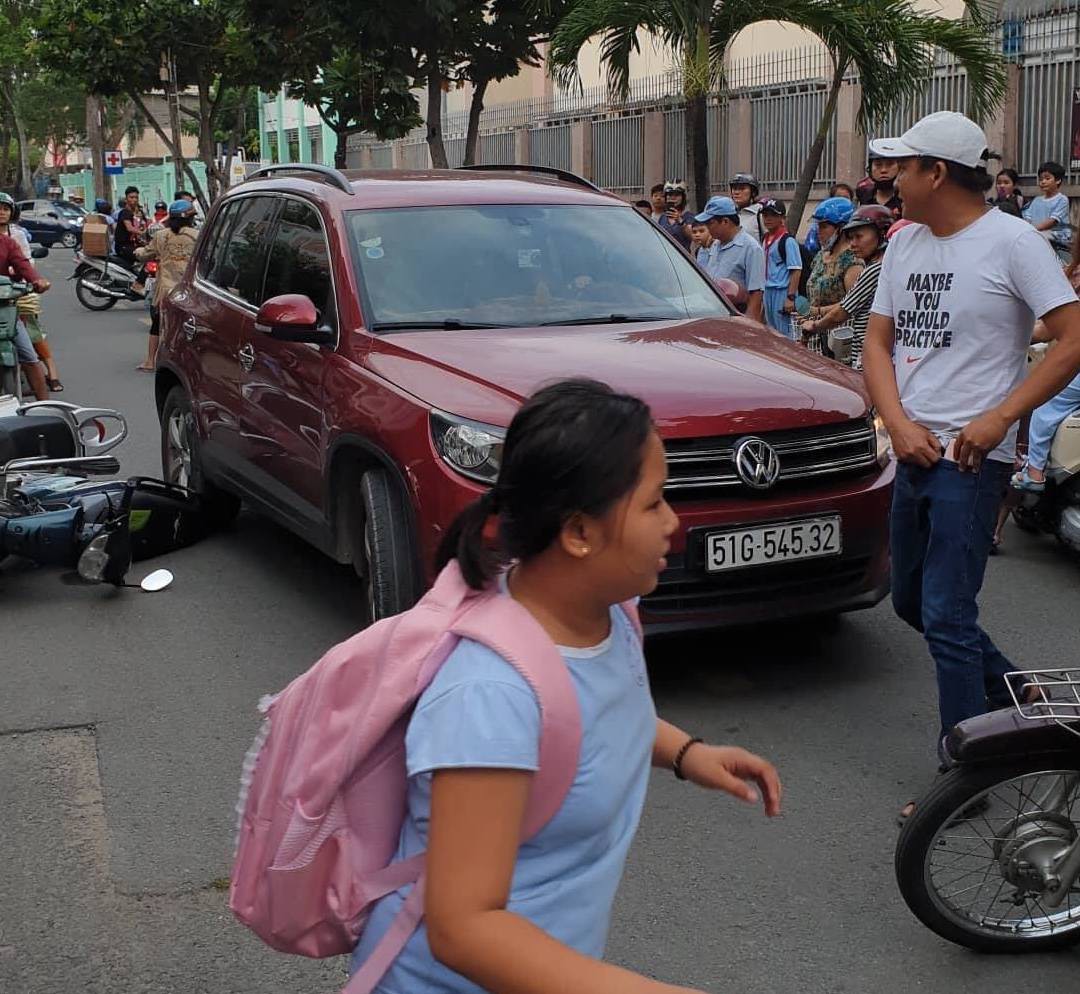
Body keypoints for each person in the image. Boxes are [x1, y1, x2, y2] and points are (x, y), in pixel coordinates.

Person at [349, 378, 781, 994]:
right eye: (654, 503)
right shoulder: (488, 696)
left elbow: (589, 716)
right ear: (579, 533)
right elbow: (462, 927)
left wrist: (688, 754)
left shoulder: (611, 611)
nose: (674, 522)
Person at [861, 112, 1080, 816]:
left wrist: (999, 418)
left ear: (938, 173)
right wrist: (896, 423)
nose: (890, 179)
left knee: (949, 615)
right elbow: (876, 344)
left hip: (971, 459)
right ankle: (1023, 693)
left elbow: (1073, 339)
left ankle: (967, 780)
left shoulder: (1014, 243)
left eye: (903, 166)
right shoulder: (903, 244)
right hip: (916, 449)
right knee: (909, 601)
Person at [798, 204, 891, 369]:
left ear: (882, 234)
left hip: (865, 358)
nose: (853, 243)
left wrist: (814, 325)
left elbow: (843, 311)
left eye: (859, 237)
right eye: (851, 237)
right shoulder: (822, 256)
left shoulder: (875, 270)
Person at [0, 193, 62, 392]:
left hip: (7, 303)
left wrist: (37, 280)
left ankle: (44, 409)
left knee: (29, 354)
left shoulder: (10, 242)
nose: (1, 213)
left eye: (5, 208)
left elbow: (23, 264)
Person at [134, 200, 198, 372]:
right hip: (189, 291)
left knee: (157, 324)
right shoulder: (196, 236)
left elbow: (145, 254)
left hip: (166, 290)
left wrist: (138, 251)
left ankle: (150, 361)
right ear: (190, 218)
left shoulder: (161, 236)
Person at [800, 196, 862, 356]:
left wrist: (818, 311)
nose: (818, 231)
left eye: (824, 226)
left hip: (839, 339)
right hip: (813, 335)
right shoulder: (821, 255)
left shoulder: (852, 261)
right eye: (818, 225)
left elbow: (853, 305)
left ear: (841, 228)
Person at [695, 195, 765, 322]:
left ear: (725, 221)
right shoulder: (715, 245)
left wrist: (750, 324)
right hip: (714, 315)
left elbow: (756, 292)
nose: (708, 228)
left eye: (710, 223)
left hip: (736, 317)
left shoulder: (751, 248)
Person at [758, 197, 803, 337]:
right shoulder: (765, 239)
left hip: (782, 291)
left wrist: (790, 297)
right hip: (768, 290)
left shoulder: (787, 241)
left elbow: (796, 270)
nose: (768, 219)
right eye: (765, 215)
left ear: (782, 218)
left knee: (786, 332)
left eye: (773, 215)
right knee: (771, 331)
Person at [1024, 159, 1071, 263]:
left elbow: (1052, 221)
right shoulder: (1036, 200)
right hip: (1036, 232)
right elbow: (1027, 218)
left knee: (1039, 238)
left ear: (1058, 180)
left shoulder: (1062, 199)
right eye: (1041, 179)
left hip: (1057, 235)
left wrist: (1032, 230)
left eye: (1047, 178)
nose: (1043, 182)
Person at [856, 150, 904, 219]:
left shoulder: (906, 199)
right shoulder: (864, 195)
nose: (883, 170)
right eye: (878, 165)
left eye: (890, 164)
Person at [113, 185, 148, 268]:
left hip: (135, 244)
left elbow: (145, 225)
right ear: (126, 199)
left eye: (136, 197)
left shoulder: (140, 212)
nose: (134, 200)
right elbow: (130, 228)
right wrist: (143, 233)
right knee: (147, 256)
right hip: (124, 247)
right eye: (131, 197)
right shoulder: (125, 213)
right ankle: (140, 280)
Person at [656, 180, 694, 249]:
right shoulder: (663, 217)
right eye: (670, 194)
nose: (673, 197)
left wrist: (680, 221)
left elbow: (693, 236)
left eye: (677, 195)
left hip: (681, 256)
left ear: (683, 197)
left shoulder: (688, 216)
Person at [729, 173, 763, 243]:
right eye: (734, 189)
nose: (737, 192)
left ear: (753, 192)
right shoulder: (730, 213)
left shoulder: (761, 213)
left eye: (742, 188)